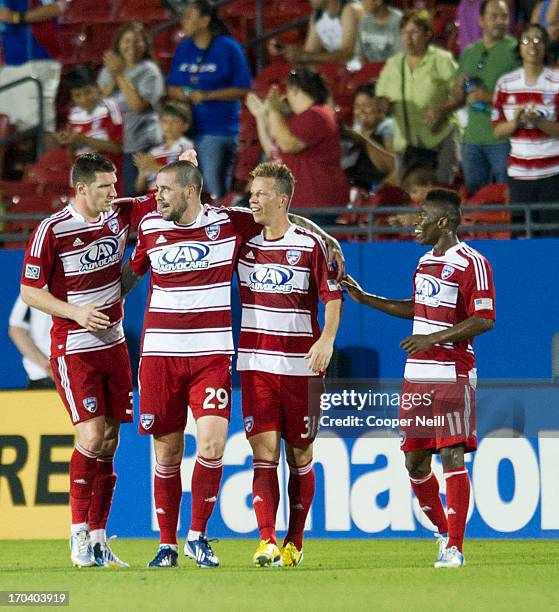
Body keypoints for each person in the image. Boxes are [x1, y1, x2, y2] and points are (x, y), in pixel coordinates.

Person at [120, 158, 344, 569]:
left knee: (213, 444)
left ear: (190, 191)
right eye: (157, 191)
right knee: (166, 450)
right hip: (160, 355)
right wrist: (88, 303)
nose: (158, 197)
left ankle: (199, 536)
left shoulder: (230, 223)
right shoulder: (151, 226)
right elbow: (132, 271)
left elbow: (286, 220)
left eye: (166, 189)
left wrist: (326, 237)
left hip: (213, 354)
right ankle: (167, 545)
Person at [343, 188, 496, 569]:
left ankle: (455, 548)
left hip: (452, 371)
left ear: (443, 222)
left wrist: (434, 337)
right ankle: (445, 533)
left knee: (451, 453)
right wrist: (366, 299)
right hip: (417, 376)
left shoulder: (472, 263)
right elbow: (416, 309)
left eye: (422, 215)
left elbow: (484, 319)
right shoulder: (425, 262)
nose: (415, 222)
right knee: (414, 463)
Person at [19, 153, 157, 569]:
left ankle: (99, 538)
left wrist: (182, 163)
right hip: (74, 346)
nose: (113, 194)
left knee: (111, 442)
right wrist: (75, 312)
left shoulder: (118, 214)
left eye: (115, 186)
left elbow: (160, 199)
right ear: (80, 189)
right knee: (92, 436)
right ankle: (78, 534)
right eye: (104, 187)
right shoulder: (52, 230)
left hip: (113, 344)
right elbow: (29, 292)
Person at [237, 162, 342, 568]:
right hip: (257, 364)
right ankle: (265, 540)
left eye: (261, 194)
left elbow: (332, 298)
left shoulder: (311, 246)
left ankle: (294, 541)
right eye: (252, 193)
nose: (253, 200)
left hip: (302, 366)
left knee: (300, 455)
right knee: (263, 452)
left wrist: (327, 339)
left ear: (282, 200)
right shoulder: (243, 246)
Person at [167, 0, 252, 202]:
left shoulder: (229, 48)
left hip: (218, 130)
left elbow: (243, 89)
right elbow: (172, 86)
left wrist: (206, 96)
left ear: (204, 21)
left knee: (212, 188)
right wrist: (181, 94)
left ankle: (218, 229)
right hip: (186, 131)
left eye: (189, 16)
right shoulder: (184, 48)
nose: (183, 21)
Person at [246, 67, 350, 218]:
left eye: (287, 91)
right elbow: (274, 151)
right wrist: (261, 117)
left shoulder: (317, 115)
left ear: (294, 89)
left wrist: (274, 110)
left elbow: (288, 145)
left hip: (316, 204)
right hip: (301, 206)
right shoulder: (300, 119)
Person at [376, 9, 461, 184]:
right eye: (404, 33)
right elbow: (380, 99)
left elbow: (462, 91)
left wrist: (442, 108)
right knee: (409, 196)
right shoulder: (392, 65)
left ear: (427, 34)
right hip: (407, 147)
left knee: (439, 193)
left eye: (414, 32)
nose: (408, 38)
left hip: (441, 140)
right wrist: (381, 105)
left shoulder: (442, 60)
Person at [493, 23, 559, 228]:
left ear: (546, 47)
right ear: (519, 47)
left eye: (538, 40)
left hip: (553, 173)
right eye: (526, 40)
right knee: (522, 234)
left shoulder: (556, 82)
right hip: (519, 175)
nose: (532, 45)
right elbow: (497, 131)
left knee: (551, 236)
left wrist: (538, 121)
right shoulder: (505, 84)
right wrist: (516, 122)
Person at [451, 0, 520, 196]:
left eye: (504, 16)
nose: (500, 21)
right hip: (472, 139)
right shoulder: (470, 52)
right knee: (475, 200)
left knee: (507, 196)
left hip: (503, 139)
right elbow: (457, 97)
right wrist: (459, 87)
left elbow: (524, 94)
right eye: (494, 16)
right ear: (481, 21)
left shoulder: (516, 50)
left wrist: (488, 97)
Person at [98, 21, 165, 196]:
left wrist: (120, 74)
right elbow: (101, 104)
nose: (132, 46)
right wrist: (114, 74)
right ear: (118, 43)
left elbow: (138, 106)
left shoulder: (150, 71)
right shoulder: (108, 71)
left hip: (142, 144)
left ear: (145, 45)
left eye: (138, 41)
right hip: (114, 146)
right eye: (127, 41)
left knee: (135, 199)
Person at [54, 65, 124, 195]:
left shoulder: (110, 107)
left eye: (88, 92)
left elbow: (118, 148)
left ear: (97, 88)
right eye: (77, 95)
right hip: (82, 177)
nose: (84, 99)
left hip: (106, 176)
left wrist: (83, 139)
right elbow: (71, 157)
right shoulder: (74, 114)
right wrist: (69, 142)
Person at [0, 0, 67, 134]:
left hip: (40, 59)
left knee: (41, 126)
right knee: (9, 125)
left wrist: (15, 17)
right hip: (9, 63)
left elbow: (59, 7)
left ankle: (47, 155)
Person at [341, 83, 396, 190]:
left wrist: (379, 192)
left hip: (374, 193)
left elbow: (396, 167)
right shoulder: (355, 132)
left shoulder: (387, 128)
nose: (360, 111)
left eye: (366, 106)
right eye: (357, 106)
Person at [278, 0, 363, 68]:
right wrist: (286, 51)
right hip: (341, 74)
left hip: (364, 73)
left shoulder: (350, 8)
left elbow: (347, 54)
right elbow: (310, 55)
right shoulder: (316, 16)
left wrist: (305, 56)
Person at [134, 101, 195, 194]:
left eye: (174, 121)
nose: (169, 126)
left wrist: (153, 167)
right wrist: (142, 172)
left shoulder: (186, 146)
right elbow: (139, 189)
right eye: (165, 121)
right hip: (152, 196)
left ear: (185, 125)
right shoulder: (154, 152)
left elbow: (183, 176)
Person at [8, 293, 54, 389]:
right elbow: (17, 330)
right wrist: (47, 365)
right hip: (44, 379)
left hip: (81, 375)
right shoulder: (32, 289)